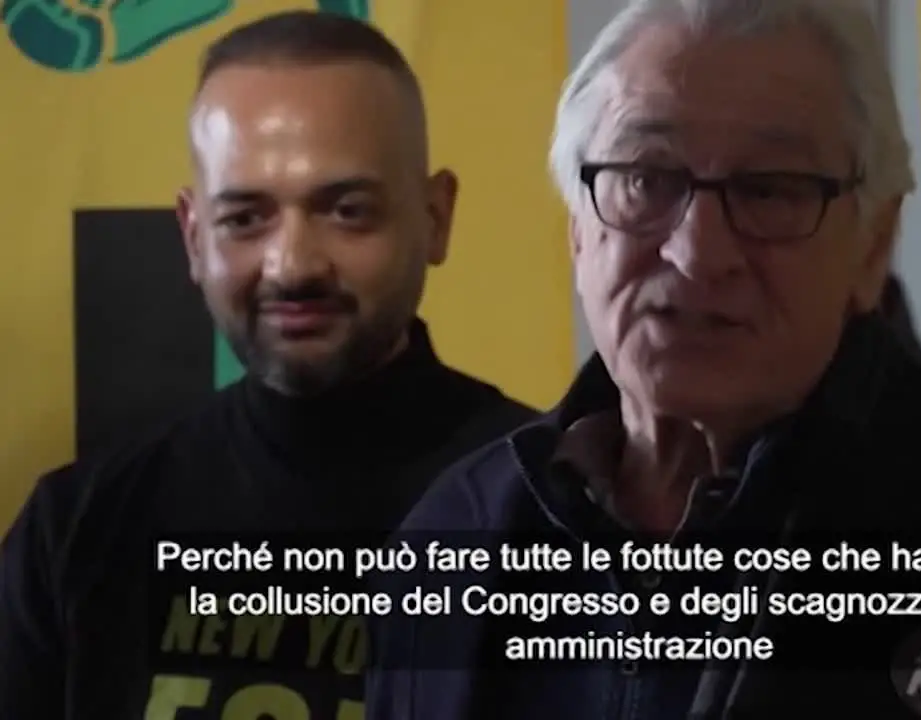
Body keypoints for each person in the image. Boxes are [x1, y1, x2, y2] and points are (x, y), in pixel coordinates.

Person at [366, 0, 921, 718]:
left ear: (872, 244)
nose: (698, 252)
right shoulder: (454, 537)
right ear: (576, 227)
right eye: (645, 178)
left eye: (771, 189)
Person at [0, 10, 535, 720]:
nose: (292, 266)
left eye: (347, 210)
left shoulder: (563, 513)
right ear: (193, 237)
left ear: (435, 217)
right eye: (245, 218)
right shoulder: (73, 532)